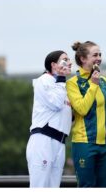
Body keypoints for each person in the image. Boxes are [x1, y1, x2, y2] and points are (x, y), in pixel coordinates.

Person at [66, 41, 106, 187]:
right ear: (83, 59)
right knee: (86, 186)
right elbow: (82, 109)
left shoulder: (104, 81)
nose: (99, 58)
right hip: (84, 143)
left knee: (105, 186)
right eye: (95, 55)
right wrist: (93, 84)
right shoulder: (73, 83)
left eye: (100, 54)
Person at [26, 50, 72, 187]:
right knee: (39, 186)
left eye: (69, 60)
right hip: (43, 140)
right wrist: (62, 78)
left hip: (60, 142)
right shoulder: (43, 81)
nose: (69, 62)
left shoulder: (63, 85)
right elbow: (56, 104)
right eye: (65, 60)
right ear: (53, 65)